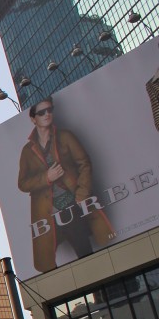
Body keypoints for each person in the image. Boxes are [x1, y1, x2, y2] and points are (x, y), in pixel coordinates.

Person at [17, 96, 115, 272]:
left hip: (73, 203)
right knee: (48, 258)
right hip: (46, 211)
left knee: (80, 240)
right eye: (41, 112)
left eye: (49, 110)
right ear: (33, 119)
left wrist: (81, 194)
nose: (47, 114)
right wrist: (47, 177)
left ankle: (99, 280)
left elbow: (84, 163)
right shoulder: (27, 151)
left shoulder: (65, 136)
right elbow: (23, 183)